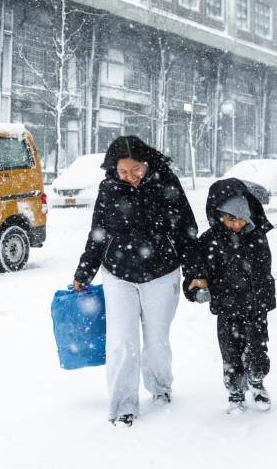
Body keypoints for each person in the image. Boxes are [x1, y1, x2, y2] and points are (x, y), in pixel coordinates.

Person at [72, 135, 203, 427]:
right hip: (118, 274)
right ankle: (123, 404)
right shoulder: (109, 188)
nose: (130, 178)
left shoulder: (166, 184)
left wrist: (196, 273)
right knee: (121, 342)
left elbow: (186, 231)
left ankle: (160, 388)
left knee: (156, 340)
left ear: (146, 163)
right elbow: (98, 233)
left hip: (161, 272)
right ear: (113, 170)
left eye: (136, 171)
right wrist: (85, 270)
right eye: (123, 173)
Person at [186, 177, 276, 414]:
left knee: (257, 348)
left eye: (240, 218)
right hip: (227, 307)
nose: (236, 224)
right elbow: (196, 270)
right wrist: (197, 288)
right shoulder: (208, 241)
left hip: (255, 306)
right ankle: (235, 392)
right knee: (231, 351)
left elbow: (263, 269)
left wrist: (263, 297)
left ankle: (257, 383)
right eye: (230, 218)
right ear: (218, 215)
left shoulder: (256, 236)